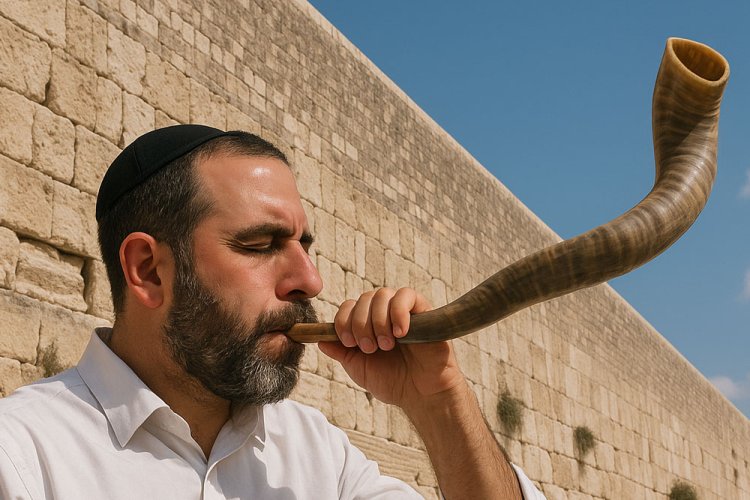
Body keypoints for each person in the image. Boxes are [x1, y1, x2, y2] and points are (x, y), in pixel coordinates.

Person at [0, 125, 545, 499]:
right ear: (149, 270)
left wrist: (439, 401)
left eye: (304, 246)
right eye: (260, 245)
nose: (310, 280)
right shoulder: (24, 458)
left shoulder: (318, 456)